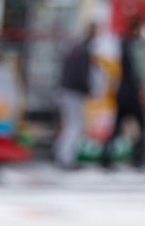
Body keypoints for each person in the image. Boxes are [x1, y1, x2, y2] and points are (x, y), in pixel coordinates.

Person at [102, 17, 144, 171]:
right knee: (140, 125)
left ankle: (106, 158)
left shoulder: (122, 44)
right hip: (132, 93)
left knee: (117, 128)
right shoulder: (135, 46)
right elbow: (138, 71)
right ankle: (139, 159)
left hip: (122, 92)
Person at [55, 23, 94, 168]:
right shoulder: (85, 51)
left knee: (70, 125)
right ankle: (66, 158)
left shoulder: (75, 49)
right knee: (75, 126)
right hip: (74, 93)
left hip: (66, 90)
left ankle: (62, 154)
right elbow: (81, 75)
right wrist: (88, 90)